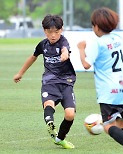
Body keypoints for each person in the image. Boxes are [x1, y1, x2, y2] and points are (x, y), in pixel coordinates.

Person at [77, 7, 123, 154]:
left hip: (109, 91)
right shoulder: (119, 39)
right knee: (122, 122)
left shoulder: (98, 43)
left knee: (107, 126)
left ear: (97, 26)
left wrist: (81, 49)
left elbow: (86, 65)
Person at [13, 14, 76, 149]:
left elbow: (65, 50)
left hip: (66, 82)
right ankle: (50, 122)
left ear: (61, 30)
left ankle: (59, 138)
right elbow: (33, 57)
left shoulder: (63, 42)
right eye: (49, 32)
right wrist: (20, 73)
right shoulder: (43, 44)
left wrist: (65, 55)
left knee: (70, 114)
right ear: (44, 31)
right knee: (48, 103)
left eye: (56, 32)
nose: (53, 35)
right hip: (49, 81)